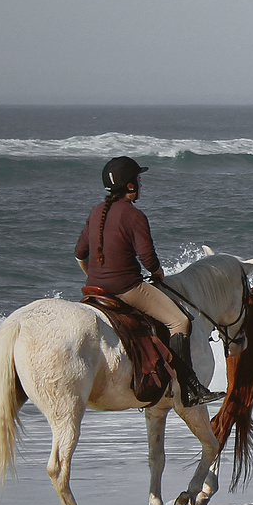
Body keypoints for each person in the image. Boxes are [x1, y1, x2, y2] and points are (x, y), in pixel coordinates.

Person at [74, 156, 224, 407]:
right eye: (138, 180)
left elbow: (80, 254)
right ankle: (189, 389)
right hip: (127, 289)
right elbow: (148, 258)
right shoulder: (134, 215)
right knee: (180, 321)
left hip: (95, 289)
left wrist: (92, 275)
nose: (140, 184)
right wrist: (157, 275)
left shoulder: (96, 212)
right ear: (130, 186)